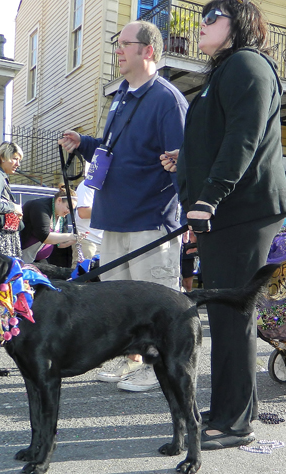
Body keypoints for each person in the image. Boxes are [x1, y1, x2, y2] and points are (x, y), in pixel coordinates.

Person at [161, 0, 286, 449]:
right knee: (230, 312)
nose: (201, 25)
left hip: (242, 208)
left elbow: (245, 137)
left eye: (211, 18)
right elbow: (224, 135)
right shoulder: (231, 70)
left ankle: (233, 422)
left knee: (230, 313)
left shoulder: (247, 65)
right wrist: (189, 164)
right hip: (235, 209)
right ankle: (240, 407)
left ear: (237, 24)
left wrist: (208, 197)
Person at [59, 20, 187, 393]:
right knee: (118, 305)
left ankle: (156, 366)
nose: (117, 49)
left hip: (151, 220)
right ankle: (129, 358)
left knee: (155, 303)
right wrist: (84, 143)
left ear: (147, 51)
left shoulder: (168, 100)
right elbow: (114, 150)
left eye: (125, 43)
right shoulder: (122, 96)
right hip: (114, 218)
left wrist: (192, 212)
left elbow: (182, 161)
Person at [20, 185, 81, 264]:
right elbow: (44, 236)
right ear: (59, 200)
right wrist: (71, 236)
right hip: (24, 257)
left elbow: (59, 244)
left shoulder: (62, 215)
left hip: (42, 260)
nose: (69, 212)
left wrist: (75, 239)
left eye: (72, 210)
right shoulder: (40, 207)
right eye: (68, 207)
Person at [72, 181, 103, 269]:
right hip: (88, 240)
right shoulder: (87, 184)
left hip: (105, 242)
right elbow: (83, 212)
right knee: (82, 277)